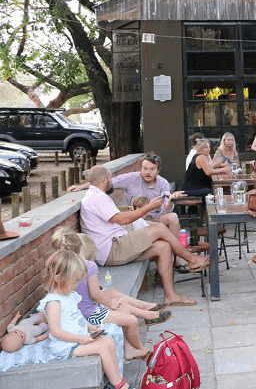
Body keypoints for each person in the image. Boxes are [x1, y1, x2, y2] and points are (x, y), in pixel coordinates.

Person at [79, 165, 210, 307]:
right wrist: (149, 207)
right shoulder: (96, 198)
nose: (112, 181)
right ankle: (191, 259)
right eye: (110, 178)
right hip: (112, 249)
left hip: (117, 245)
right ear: (104, 180)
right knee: (159, 228)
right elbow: (122, 219)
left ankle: (170, 296)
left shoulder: (97, 196)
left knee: (163, 247)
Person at [50, 228, 158, 361]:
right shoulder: (88, 266)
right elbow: (95, 295)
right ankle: (140, 348)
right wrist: (110, 303)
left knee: (122, 309)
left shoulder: (59, 267)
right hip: (89, 314)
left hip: (78, 313)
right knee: (131, 320)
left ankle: (131, 347)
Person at [37, 249, 132, 389]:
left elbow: (76, 315)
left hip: (79, 337)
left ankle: (114, 379)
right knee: (102, 347)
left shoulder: (70, 294)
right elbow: (55, 331)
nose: (76, 285)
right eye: (74, 281)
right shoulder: (54, 302)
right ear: (58, 278)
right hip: (66, 345)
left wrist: (89, 326)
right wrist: (78, 339)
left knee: (109, 341)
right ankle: (119, 385)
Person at [69, 152, 186, 240]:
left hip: (155, 217)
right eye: (144, 169)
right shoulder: (131, 178)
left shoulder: (163, 183)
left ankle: (178, 260)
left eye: (152, 169)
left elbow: (166, 209)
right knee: (158, 232)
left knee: (173, 217)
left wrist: (171, 200)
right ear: (140, 168)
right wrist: (81, 187)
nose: (148, 172)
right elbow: (105, 181)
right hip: (133, 219)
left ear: (158, 170)